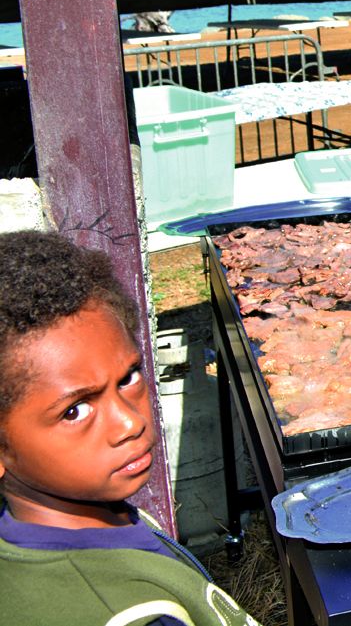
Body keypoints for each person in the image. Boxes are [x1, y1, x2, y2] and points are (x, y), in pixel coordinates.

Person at [0, 231, 262, 626]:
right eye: (74, 411)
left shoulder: (89, 512)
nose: (130, 422)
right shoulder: (134, 615)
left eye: (129, 377)